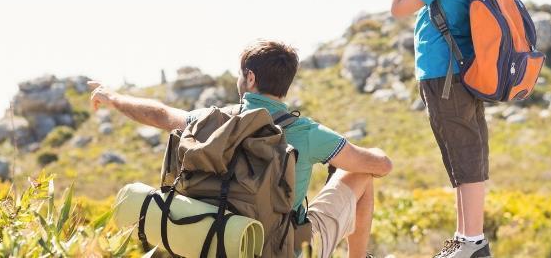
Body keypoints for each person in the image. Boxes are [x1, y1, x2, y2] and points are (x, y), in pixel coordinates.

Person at [89, 39, 392, 258]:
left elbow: (158, 114)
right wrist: (372, 153)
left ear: (250, 77)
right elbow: (381, 166)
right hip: (284, 250)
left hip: (213, 241)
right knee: (360, 175)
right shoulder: (308, 133)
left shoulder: (208, 121)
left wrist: (113, 98)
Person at [390, 0, 491, 258]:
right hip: (469, 75)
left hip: (442, 75)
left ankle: (472, 241)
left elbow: (399, 8)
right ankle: (465, 238)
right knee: (466, 156)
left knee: (461, 158)